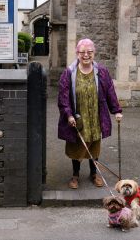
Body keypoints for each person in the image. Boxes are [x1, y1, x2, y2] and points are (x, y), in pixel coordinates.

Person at [57, 38, 123, 189]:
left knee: (94, 146)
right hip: (78, 119)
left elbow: (110, 93)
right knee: (77, 147)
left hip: (95, 117)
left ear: (94, 53)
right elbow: (63, 97)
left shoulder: (102, 72)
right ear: (77, 53)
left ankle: (94, 173)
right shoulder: (69, 73)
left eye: (89, 52)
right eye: (82, 52)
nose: (86, 55)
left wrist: (117, 111)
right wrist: (68, 115)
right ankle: (75, 175)